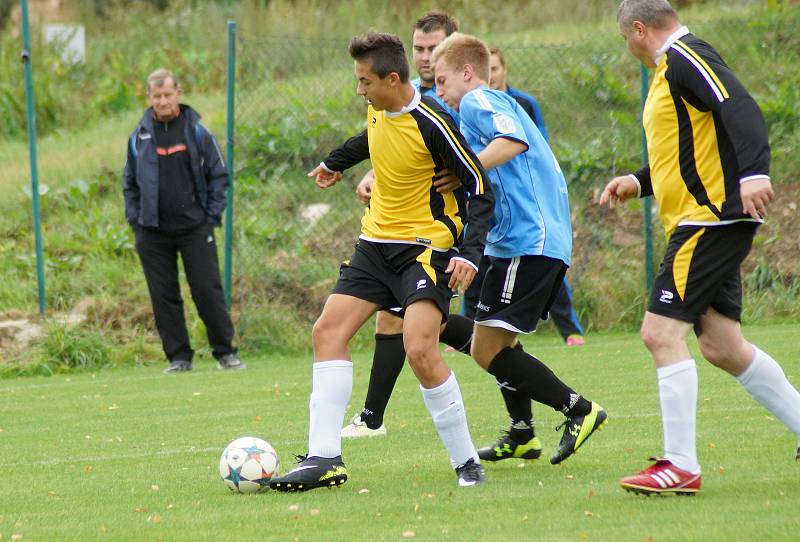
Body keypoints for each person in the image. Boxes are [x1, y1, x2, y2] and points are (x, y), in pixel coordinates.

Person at [268, 31, 494, 492]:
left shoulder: (435, 122)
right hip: (374, 245)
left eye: (365, 82)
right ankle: (324, 458)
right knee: (327, 331)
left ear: (393, 79)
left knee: (419, 348)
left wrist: (470, 255)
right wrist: (336, 163)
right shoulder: (379, 107)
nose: (360, 91)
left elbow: (479, 186)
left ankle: (467, 461)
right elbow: (371, 138)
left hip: (425, 250)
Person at [602, 0, 800, 495]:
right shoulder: (673, 68)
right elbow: (692, 149)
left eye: (626, 39)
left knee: (659, 333)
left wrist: (755, 172)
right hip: (703, 220)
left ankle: (681, 465)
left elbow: (740, 106)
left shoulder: (686, 56)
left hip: (707, 222)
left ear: (640, 30)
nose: (628, 49)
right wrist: (639, 180)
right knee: (722, 347)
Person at [432, 32, 607, 465]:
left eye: (441, 81)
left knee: (485, 349)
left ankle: (579, 409)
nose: (439, 91)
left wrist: (466, 169)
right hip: (523, 241)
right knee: (495, 342)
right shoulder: (486, 104)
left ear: (468, 73)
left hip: (528, 241)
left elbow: (512, 142)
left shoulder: (477, 100)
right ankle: (523, 433)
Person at [342, 10, 475, 439]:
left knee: (480, 337)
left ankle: (528, 413)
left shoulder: (468, 98)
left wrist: (461, 172)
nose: (424, 56)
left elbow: (481, 163)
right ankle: (372, 417)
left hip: (466, 226)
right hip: (403, 234)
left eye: (433, 49)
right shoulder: (396, 98)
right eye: (418, 48)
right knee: (398, 322)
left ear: (455, 51)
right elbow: (392, 142)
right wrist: (366, 170)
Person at [122, 69, 244, 373]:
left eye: (167, 95)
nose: (162, 101)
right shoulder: (139, 137)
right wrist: (136, 222)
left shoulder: (198, 132)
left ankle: (225, 352)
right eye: (156, 96)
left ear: (179, 93)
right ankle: (179, 357)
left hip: (195, 229)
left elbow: (219, 175)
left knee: (206, 289)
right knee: (163, 296)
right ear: (149, 98)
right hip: (152, 233)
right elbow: (129, 184)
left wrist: (211, 217)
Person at [466, 44, 586, 346]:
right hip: (501, 224)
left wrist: (466, 169)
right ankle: (463, 328)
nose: (490, 75)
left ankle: (570, 330)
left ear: (502, 69)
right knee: (492, 340)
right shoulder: (467, 106)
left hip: (529, 228)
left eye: (495, 69)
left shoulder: (514, 102)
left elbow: (529, 144)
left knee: (492, 347)